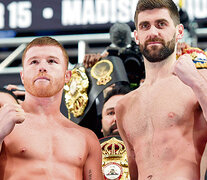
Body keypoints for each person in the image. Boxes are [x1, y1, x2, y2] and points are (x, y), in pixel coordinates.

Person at [115, 0, 207, 179]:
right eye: (145, 26)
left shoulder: (199, 81)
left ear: (179, 31)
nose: (153, 32)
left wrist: (196, 81)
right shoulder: (124, 106)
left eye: (161, 24)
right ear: (136, 35)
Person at [0, 36, 103, 179]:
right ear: (22, 77)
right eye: (34, 62)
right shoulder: (4, 122)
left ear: (67, 76)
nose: (42, 67)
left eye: (51, 61)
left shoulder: (87, 139)